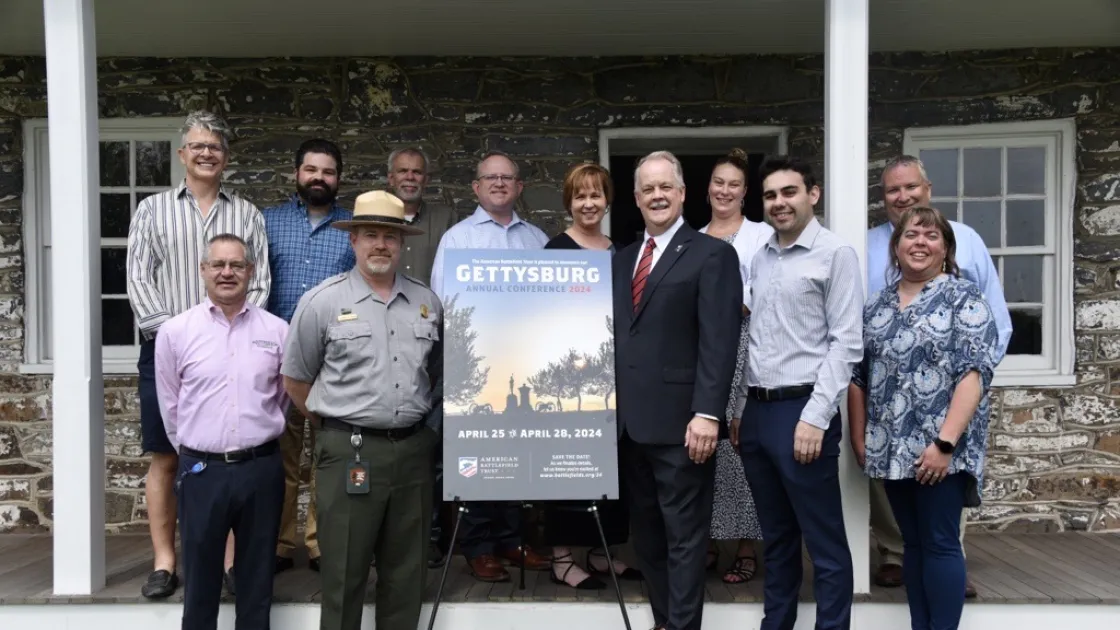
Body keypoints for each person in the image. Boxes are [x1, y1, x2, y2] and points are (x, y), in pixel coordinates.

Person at [282, 190, 443, 630]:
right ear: (353, 240)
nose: (380, 245)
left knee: (406, 575)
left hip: (412, 452)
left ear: (402, 243)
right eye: (369, 234)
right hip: (348, 452)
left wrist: (426, 434)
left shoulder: (427, 303)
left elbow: (436, 373)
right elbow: (296, 380)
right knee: (344, 574)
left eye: (390, 236)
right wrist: (335, 422)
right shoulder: (323, 302)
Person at [126, 110, 270, 599]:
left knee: (228, 454)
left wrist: (232, 332)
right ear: (181, 153)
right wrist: (177, 336)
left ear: (225, 158)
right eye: (198, 145)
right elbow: (138, 277)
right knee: (167, 455)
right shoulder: (152, 209)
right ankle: (166, 561)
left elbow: (261, 279)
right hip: (167, 349)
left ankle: (229, 564)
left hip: (234, 346)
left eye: (216, 146)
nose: (207, 152)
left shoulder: (246, 214)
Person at [865, 155, 1011, 597]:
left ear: (927, 188)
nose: (903, 196)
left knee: (941, 535)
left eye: (911, 187)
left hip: (948, 413)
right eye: (893, 190)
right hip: (891, 417)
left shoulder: (966, 250)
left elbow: (994, 327)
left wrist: (969, 396)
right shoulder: (868, 248)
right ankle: (893, 557)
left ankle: (948, 563)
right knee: (907, 530)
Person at [849, 206, 999, 630]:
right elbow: (858, 377)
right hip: (892, 450)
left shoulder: (963, 298)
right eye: (911, 235)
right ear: (895, 248)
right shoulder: (877, 305)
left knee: (940, 543)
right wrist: (861, 439)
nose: (920, 242)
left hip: (941, 450)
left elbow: (974, 375)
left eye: (931, 236)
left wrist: (945, 445)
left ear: (946, 249)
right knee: (912, 544)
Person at [613, 151, 741, 630]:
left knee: (686, 538)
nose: (657, 195)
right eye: (648, 189)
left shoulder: (713, 255)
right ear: (637, 198)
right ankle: (665, 621)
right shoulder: (623, 259)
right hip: (630, 427)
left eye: (666, 186)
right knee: (646, 536)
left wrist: (708, 413)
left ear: (684, 194)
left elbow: (720, 342)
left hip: (684, 427)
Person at [741, 157, 862, 630]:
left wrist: (815, 417)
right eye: (770, 195)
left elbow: (847, 342)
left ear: (813, 194)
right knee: (777, 537)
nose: (779, 203)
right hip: (758, 412)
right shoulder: (761, 256)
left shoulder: (835, 255)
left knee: (825, 540)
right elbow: (756, 338)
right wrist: (739, 408)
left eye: (789, 192)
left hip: (804, 410)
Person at [154, 234, 288, 630]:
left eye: (236, 265)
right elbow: (171, 404)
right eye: (218, 264)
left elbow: (281, 399)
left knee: (257, 579)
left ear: (250, 271)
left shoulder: (277, 331)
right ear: (203, 270)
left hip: (261, 469)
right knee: (200, 581)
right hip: (202, 472)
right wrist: (198, 449)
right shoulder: (176, 332)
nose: (227, 272)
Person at [429, 150, 551, 583]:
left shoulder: (537, 240)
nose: (499, 183)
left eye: (507, 177)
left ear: (519, 187)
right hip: (475, 366)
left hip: (523, 360)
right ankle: (479, 546)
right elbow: (443, 305)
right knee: (479, 458)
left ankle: (511, 539)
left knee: (518, 454)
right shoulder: (457, 240)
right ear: (476, 187)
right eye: (490, 178)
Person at [542, 163, 640, 590]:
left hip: (613, 379)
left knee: (611, 470)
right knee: (568, 471)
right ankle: (561, 558)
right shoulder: (556, 251)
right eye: (580, 196)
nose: (588, 203)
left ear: (607, 199)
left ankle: (603, 552)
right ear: (569, 202)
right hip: (570, 379)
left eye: (596, 195)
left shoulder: (620, 252)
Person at [265, 138, 355, 575]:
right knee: (279, 457)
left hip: (332, 361)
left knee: (325, 458)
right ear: (296, 174)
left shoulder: (351, 228)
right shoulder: (269, 222)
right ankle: (281, 544)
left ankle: (321, 543)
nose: (319, 178)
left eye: (328, 171)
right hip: (276, 363)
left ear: (339, 178)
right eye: (311, 170)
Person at [697, 148, 772, 585]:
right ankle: (707, 541)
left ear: (745, 192)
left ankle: (745, 547)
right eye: (718, 182)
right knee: (705, 450)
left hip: (751, 351)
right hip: (707, 353)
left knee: (740, 449)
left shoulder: (761, 236)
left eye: (734, 184)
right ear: (707, 188)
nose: (725, 190)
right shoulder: (694, 237)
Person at [386, 146, 457, 567]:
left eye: (417, 172)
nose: (410, 178)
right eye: (402, 172)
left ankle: (432, 537)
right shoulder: (375, 219)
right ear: (390, 178)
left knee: (432, 448)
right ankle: (391, 536)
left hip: (433, 349)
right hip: (381, 344)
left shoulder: (447, 222)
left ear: (425, 179)